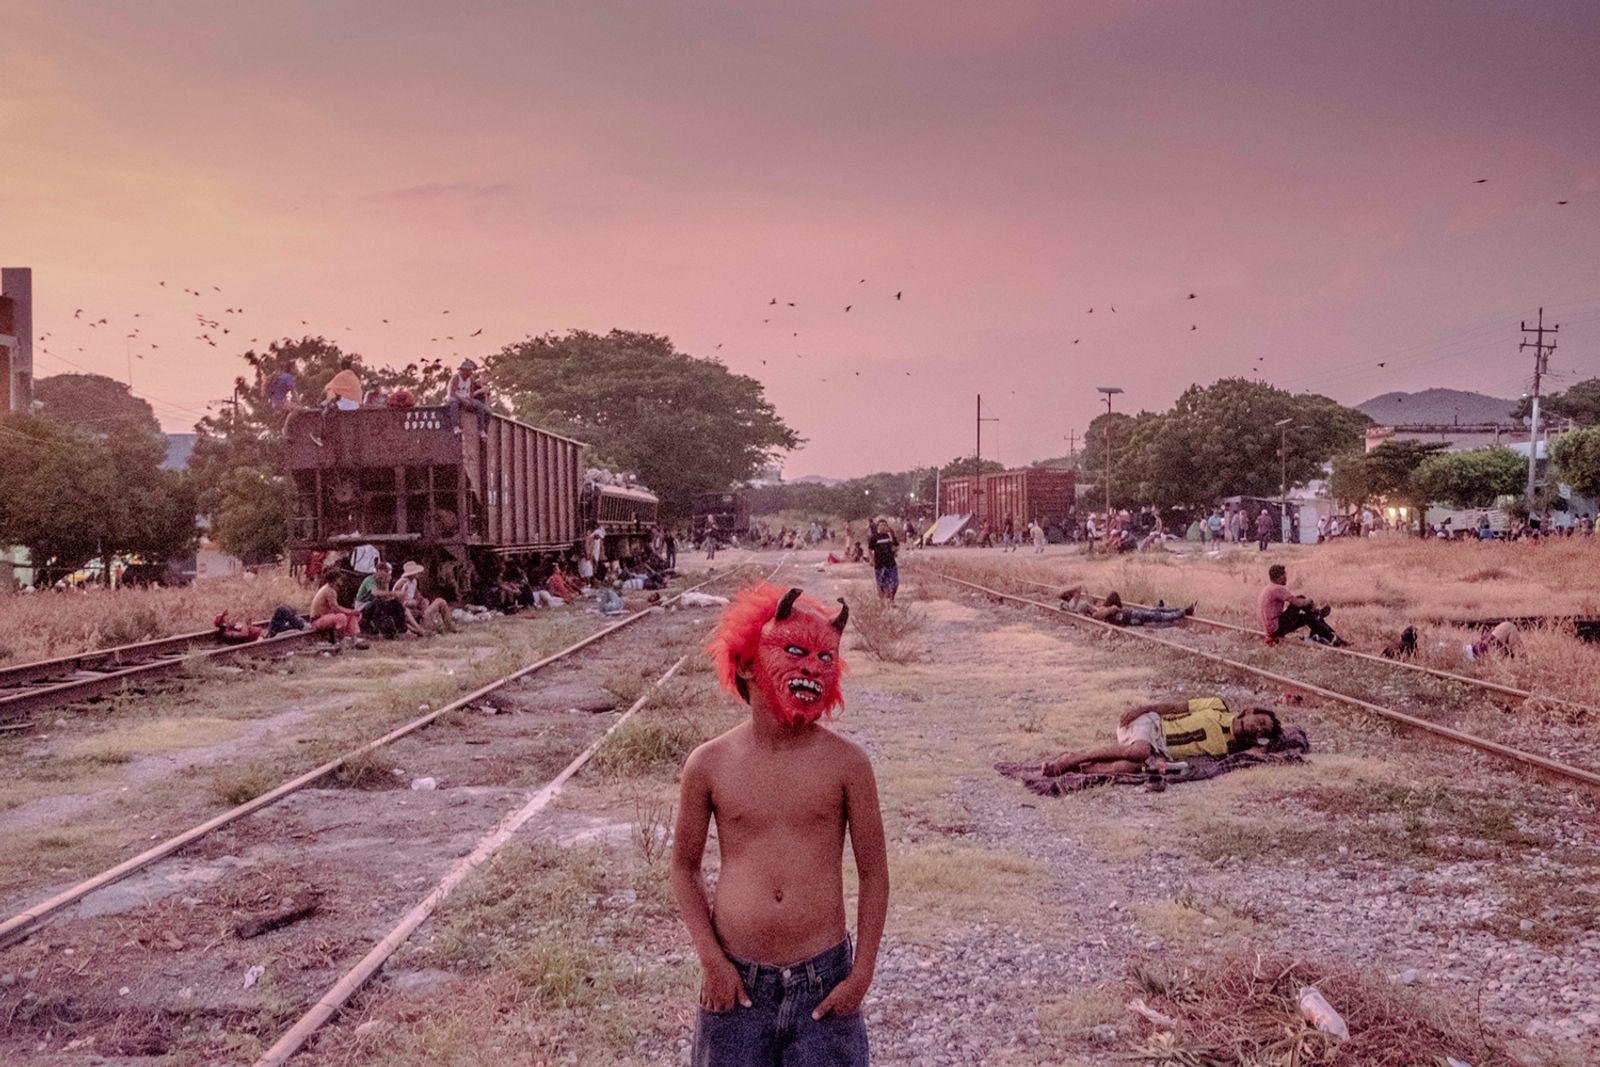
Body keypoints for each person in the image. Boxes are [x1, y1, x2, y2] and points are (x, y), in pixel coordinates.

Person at [673, 586, 885, 1067]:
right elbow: (684, 868)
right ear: (746, 664)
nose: (811, 668)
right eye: (793, 652)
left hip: (824, 982)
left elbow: (873, 872)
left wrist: (861, 974)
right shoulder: (708, 764)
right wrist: (712, 962)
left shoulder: (847, 764)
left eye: (822, 657)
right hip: (737, 984)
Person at [1041, 697, 1284, 776]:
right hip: (1151, 725)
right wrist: (1142, 709)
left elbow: (1258, 756)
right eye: (1260, 722)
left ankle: (1080, 769)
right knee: (1139, 753)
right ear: (1250, 711)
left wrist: (1263, 746)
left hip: (1159, 751)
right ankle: (1071, 759)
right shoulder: (1217, 705)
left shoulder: (1231, 749)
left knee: (1130, 766)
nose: (1258, 728)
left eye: (1263, 731)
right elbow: (1176, 707)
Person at [1259, 564, 1344, 645]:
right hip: (1276, 628)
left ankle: (1317, 615)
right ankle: (1330, 634)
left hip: (1270, 627)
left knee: (1302, 599)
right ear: (1279, 576)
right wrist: (1310, 601)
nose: (1286, 578)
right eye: (1284, 575)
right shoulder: (1278, 588)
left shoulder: (1269, 587)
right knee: (1309, 617)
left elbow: (1296, 601)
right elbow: (1297, 603)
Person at [1059, 587, 1193, 626]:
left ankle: (1172, 609)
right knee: (1157, 616)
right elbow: (1112, 610)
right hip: (1129, 617)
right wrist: (1109, 608)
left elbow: (1079, 591)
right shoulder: (1096, 615)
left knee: (1154, 612)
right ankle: (1184, 611)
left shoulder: (1092, 610)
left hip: (1128, 615)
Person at [312, 359, 363, 447]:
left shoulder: (341, 375)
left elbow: (329, 387)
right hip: (356, 405)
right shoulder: (354, 377)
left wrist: (323, 402)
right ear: (350, 366)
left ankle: (321, 437)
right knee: (331, 406)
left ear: (341, 367)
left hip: (347, 404)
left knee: (325, 413)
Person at [393, 561, 452, 634]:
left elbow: (418, 596)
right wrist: (413, 603)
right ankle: (424, 627)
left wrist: (423, 601)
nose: (418, 574)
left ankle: (450, 627)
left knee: (440, 601)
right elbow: (400, 605)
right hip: (409, 616)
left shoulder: (413, 581)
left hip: (418, 612)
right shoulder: (402, 584)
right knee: (435, 606)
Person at [309, 572, 363, 641]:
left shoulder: (330, 589)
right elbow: (335, 609)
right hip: (317, 620)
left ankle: (354, 639)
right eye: (340, 579)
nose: (341, 581)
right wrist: (351, 611)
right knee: (341, 617)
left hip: (325, 617)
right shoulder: (329, 591)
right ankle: (339, 639)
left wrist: (351, 612)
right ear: (335, 580)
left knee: (351, 615)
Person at [446, 359, 490, 437]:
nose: (471, 372)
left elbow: (470, 394)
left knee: (481, 407)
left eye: (471, 370)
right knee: (454, 403)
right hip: (455, 398)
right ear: (463, 371)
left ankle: (481, 430)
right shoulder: (456, 378)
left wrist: (470, 400)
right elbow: (452, 393)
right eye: (469, 371)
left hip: (465, 399)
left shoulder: (470, 379)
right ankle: (456, 427)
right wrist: (463, 400)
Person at [866, 518, 899, 601]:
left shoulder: (889, 536)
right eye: (881, 525)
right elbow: (869, 550)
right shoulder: (874, 538)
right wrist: (871, 559)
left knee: (895, 583)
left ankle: (891, 599)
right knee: (881, 584)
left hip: (891, 564)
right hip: (879, 565)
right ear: (878, 527)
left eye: (885, 525)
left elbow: (897, 545)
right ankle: (882, 602)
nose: (883, 527)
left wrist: (895, 550)